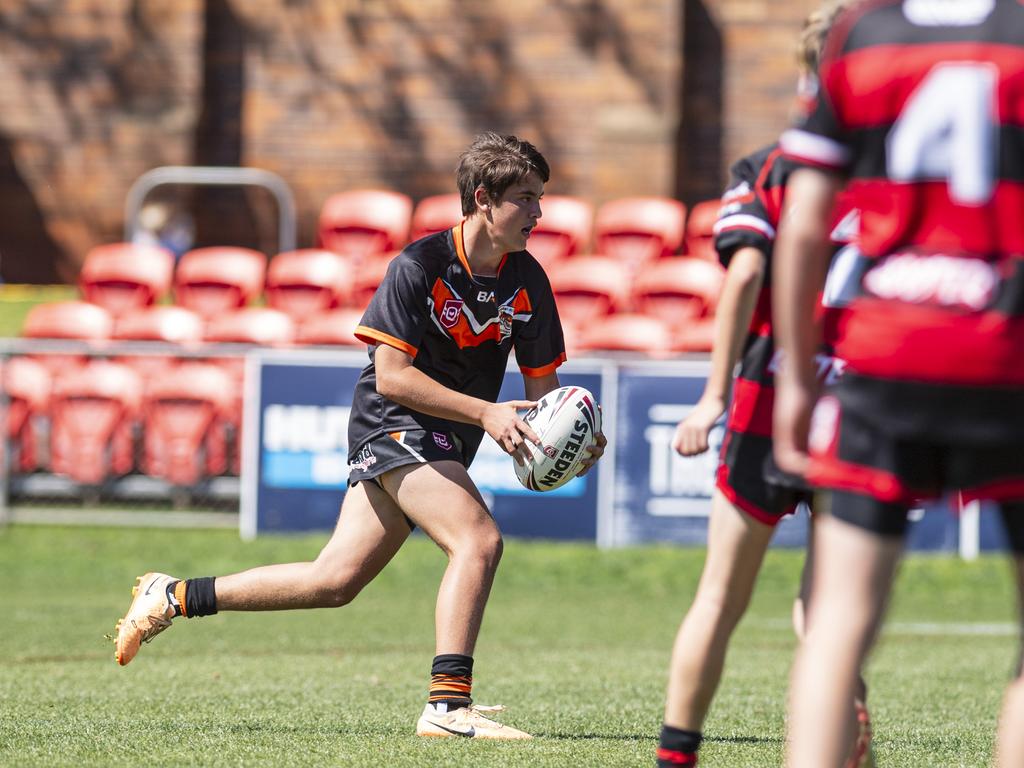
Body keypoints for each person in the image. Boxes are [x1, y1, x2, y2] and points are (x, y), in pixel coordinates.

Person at [113, 132, 606, 740]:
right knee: (478, 541)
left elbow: (543, 397)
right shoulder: (418, 267)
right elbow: (394, 378)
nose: (539, 213)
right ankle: (447, 708)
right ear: (483, 198)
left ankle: (175, 594)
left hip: (447, 440)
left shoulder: (528, 280)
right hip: (392, 422)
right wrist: (486, 413)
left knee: (334, 581)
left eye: (540, 199)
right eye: (526, 199)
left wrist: (570, 445)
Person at [772, 1, 1024, 766]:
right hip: (1007, 352)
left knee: (838, 623)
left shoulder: (859, 33)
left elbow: (805, 222)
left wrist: (794, 377)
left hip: (885, 351)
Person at [655, 4, 871, 767]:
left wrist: (712, 395)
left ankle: (676, 754)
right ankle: (842, 732)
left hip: (765, 402)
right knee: (830, 605)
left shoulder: (770, 166)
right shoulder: (889, 166)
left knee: (719, 597)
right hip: (854, 408)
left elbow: (745, 269)